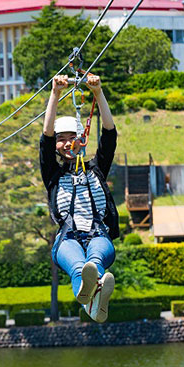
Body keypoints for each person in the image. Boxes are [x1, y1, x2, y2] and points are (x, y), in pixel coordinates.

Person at [40, 73, 119, 322]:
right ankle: (92, 305)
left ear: (81, 140)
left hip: (99, 235)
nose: (66, 144)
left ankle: (94, 300)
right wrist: (54, 94)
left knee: (93, 263)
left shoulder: (96, 169)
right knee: (78, 266)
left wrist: (98, 93)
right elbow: (45, 139)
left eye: (71, 138)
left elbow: (109, 134)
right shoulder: (53, 174)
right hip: (67, 239)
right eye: (61, 140)